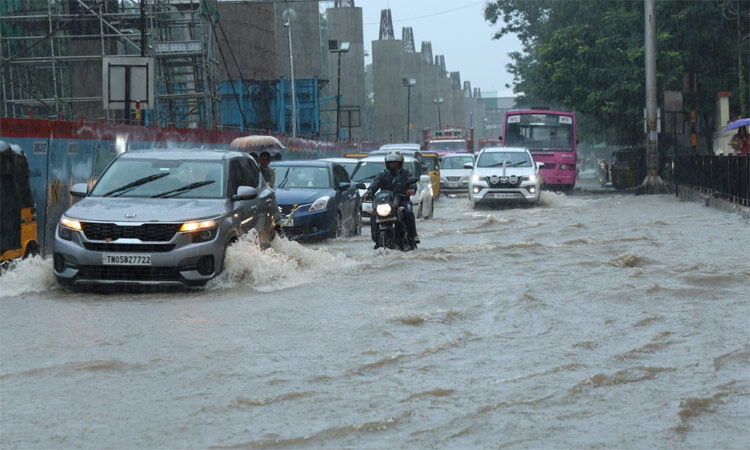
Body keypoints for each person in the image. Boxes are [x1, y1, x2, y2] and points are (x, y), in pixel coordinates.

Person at [361, 151, 419, 250]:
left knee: (408, 211)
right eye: (391, 162)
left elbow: (412, 182)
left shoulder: (406, 174)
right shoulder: (382, 175)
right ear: (387, 163)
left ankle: (413, 236)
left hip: (401, 200)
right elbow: (374, 185)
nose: (393, 164)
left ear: (400, 163)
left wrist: (412, 189)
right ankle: (375, 237)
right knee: (374, 214)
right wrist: (368, 193)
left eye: (395, 162)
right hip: (386, 202)